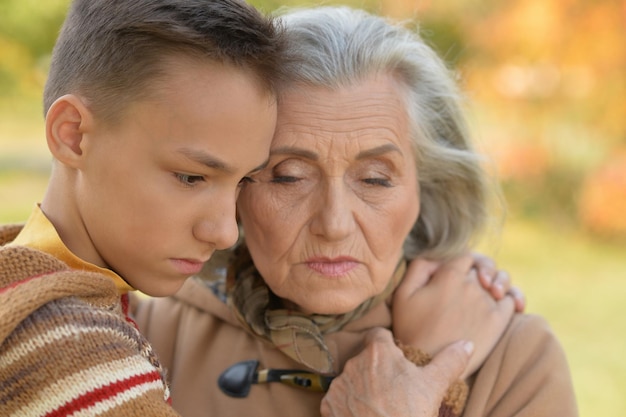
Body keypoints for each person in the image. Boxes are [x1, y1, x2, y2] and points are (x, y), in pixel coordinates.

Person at [134, 5, 577, 417]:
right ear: (235, 188)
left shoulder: (516, 359)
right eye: (289, 175)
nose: (334, 224)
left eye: (375, 180)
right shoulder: (149, 330)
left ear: (428, 186)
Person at [0, 0, 286, 415]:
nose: (225, 232)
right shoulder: (71, 355)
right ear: (73, 135)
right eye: (191, 177)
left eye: (242, 181)